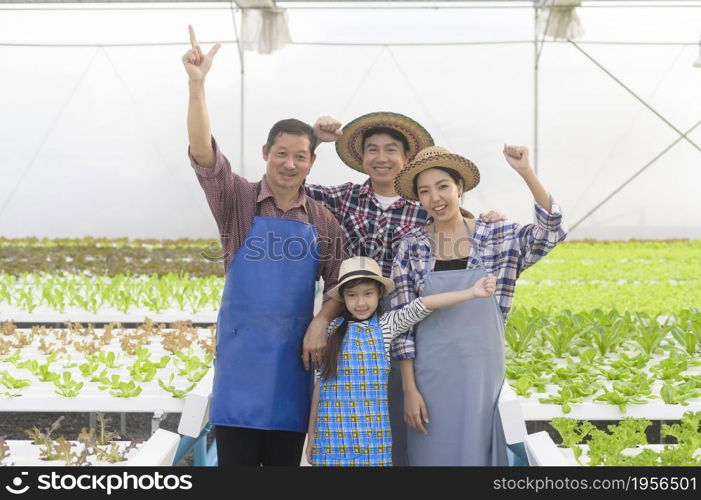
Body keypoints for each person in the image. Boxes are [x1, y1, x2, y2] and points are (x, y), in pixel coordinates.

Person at [182, 25, 347, 466]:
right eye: (281, 153)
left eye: (299, 156)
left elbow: (341, 284)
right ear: (265, 153)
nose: (289, 164)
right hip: (240, 365)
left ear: (312, 161)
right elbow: (203, 154)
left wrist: (320, 323)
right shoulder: (237, 201)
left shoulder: (322, 219)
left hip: (292, 367)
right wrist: (197, 84)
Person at [306, 113, 507, 464]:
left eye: (391, 150)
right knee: (358, 413)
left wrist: (492, 218)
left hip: (413, 329)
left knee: (404, 413)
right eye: (373, 150)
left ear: (406, 159)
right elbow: (292, 184)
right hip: (354, 325)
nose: (381, 158)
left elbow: (462, 227)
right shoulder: (344, 198)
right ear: (362, 158)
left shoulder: (424, 202)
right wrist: (313, 139)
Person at [390, 144, 568, 465]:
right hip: (429, 379)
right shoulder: (411, 246)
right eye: (425, 191)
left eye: (443, 186)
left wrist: (525, 171)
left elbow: (551, 231)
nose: (436, 198)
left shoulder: (498, 236)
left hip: (483, 376)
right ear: (418, 199)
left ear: (460, 188)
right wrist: (409, 391)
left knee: (480, 457)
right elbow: (402, 326)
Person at [305, 256, 497, 466]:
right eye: (352, 295)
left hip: (373, 439)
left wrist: (471, 292)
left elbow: (423, 304)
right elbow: (319, 385)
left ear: (379, 294)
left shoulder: (387, 325)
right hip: (330, 435)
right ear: (343, 298)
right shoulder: (331, 331)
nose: (360, 302)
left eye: (368, 294)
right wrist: (312, 433)